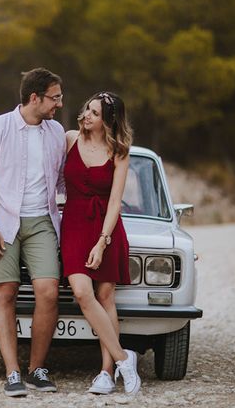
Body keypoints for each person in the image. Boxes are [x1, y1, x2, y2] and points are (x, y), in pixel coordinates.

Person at [0, 68, 66, 397]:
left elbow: (64, 181)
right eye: (54, 97)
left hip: (42, 222)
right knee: (5, 293)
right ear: (34, 98)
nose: (60, 104)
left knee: (49, 292)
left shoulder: (56, 133)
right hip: (3, 222)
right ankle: (12, 373)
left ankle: (37, 369)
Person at [60, 91, 141, 395]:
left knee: (106, 295)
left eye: (94, 113)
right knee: (82, 292)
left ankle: (106, 373)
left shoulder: (119, 150)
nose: (87, 115)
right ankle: (124, 358)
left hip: (106, 228)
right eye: (87, 109)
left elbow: (116, 201)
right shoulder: (69, 139)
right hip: (74, 224)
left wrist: (102, 242)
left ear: (108, 120)